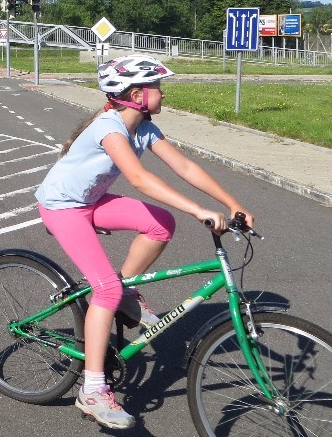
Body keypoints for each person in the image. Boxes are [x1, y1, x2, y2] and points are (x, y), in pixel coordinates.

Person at [34, 55, 254, 430]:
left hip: (91, 202)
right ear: (137, 95)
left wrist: (232, 203)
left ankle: (125, 293)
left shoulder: (144, 128)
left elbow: (185, 167)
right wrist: (198, 210)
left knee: (160, 224)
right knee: (104, 290)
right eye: (158, 88)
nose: (163, 94)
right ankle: (92, 389)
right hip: (62, 207)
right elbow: (138, 178)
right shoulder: (110, 127)